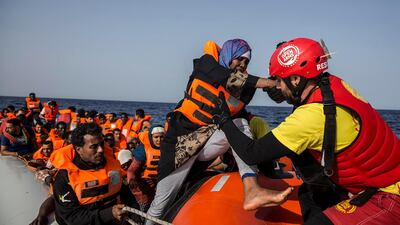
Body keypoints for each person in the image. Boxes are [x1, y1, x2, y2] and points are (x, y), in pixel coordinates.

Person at [211, 37, 400, 225]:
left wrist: (224, 120)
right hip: (378, 183)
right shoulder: (332, 84)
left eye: (279, 80)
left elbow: (251, 153)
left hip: (389, 197)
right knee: (308, 194)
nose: (277, 86)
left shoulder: (310, 118)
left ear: (295, 79)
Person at [145, 39, 292, 225]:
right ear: (228, 55)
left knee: (240, 123)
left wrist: (281, 87)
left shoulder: (243, 90)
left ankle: (252, 187)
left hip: (207, 144)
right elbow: (228, 77)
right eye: (239, 59)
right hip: (180, 146)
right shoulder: (207, 63)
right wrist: (271, 83)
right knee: (160, 204)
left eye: (247, 62)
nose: (243, 65)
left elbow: (243, 123)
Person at [52, 123, 126, 225]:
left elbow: (125, 192)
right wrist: (109, 214)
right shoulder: (65, 178)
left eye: (101, 144)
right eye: (94, 147)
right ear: (79, 150)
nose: (100, 150)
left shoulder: (113, 164)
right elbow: (73, 218)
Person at [127, 126, 164, 223]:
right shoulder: (143, 150)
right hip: (143, 185)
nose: (159, 140)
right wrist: (132, 182)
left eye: (161, 137)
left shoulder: (168, 148)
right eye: (156, 137)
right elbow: (131, 170)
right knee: (144, 208)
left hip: (160, 184)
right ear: (151, 137)